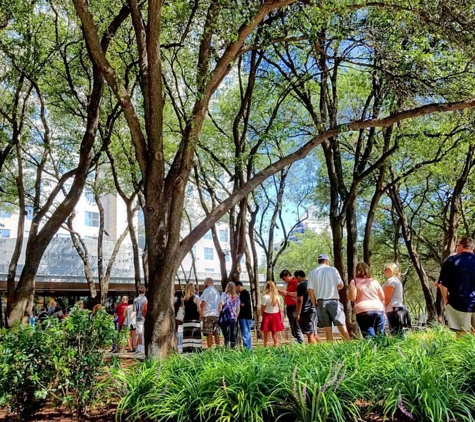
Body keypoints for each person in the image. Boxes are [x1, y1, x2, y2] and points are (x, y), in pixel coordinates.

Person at [437, 236, 475, 336]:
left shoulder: (451, 261)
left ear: (460, 246)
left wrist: (445, 299)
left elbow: (443, 285)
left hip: (459, 303)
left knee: (462, 337)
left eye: (457, 245)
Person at [308, 254, 350, 341]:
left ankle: (330, 348)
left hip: (320, 302)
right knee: (341, 324)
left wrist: (314, 304)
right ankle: (348, 344)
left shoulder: (312, 273)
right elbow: (340, 285)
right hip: (333, 300)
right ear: (327, 261)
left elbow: (310, 291)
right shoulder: (332, 270)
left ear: (319, 262)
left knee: (327, 328)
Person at [348, 262, 385, 338]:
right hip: (378, 309)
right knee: (381, 335)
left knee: (369, 334)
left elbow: (353, 297)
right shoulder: (374, 281)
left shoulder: (354, 282)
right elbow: (382, 297)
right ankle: (383, 349)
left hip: (363, 310)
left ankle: (372, 349)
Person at [383, 263, 410, 335]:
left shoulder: (391, 281)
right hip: (397, 307)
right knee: (398, 331)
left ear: (391, 270)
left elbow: (387, 297)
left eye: (385, 269)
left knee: (395, 331)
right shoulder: (397, 280)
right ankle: (401, 345)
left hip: (393, 309)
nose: (384, 271)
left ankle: (398, 345)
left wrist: (383, 306)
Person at [279, 269, 304, 344]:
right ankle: (296, 339)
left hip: (294, 307)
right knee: (292, 325)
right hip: (289, 307)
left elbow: (298, 294)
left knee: (296, 325)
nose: (284, 281)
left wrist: (287, 293)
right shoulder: (289, 284)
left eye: (284, 279)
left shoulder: (295, 282)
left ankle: (300, 341)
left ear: (288, 275)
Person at [295, 270, 318, 344]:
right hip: (313, 310)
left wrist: (298, 313)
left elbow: (299, 300)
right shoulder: (312, 284)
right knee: (314, 333)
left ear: (298, 277)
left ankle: (313, 352)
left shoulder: (301, 285)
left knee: (309, 334)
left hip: (306, 312)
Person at [261, 280, 285, 347]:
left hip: (267, 316)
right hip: (276, 316)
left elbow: (263, 308)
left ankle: (266, 352)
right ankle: (276, 351)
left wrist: (261, 314)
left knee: (266, 338)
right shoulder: (277, 297)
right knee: (275, 337)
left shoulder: (265, 297)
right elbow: (279, 306)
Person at [200, 277, 221, 348]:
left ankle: (210, 348)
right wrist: (218, 314)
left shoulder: (206, 291)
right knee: (216, 332)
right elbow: (219, 305)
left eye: (204, 282)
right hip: (216, 315)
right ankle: (218, 347)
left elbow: (203, 302)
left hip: (208, 314)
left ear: (208, 282)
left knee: (209, 332)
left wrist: (200, 311)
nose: (204, 284)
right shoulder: (217, 292)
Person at [182, 282, 203, 353]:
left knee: (187, 337)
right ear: (192, 289)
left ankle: (187, 351)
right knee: (195, 336)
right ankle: (196, 351)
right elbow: (199, 309)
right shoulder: (196, 298)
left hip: (186, 321)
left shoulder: (184, 299)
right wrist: (201, 316)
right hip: (194, 320)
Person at [220, 282, 240, 348]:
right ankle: (233, 348)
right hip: (233, 317)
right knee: (233, 333)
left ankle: (227, 348)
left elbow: (221, 304)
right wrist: (236, 317)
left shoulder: (224, 294)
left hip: (225, 317)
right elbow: (238, 308)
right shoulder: (237, 297)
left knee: (226, 333)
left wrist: (219, 314)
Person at [235, 281, 253, 350]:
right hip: (247, 316)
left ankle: (247, 348)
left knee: (245, 333)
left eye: (236, 288)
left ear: (238, 286)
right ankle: (248, 347)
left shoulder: (243, 293)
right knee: (247, 332)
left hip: (244, 316)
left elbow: (242, 304)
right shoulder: (244, 293)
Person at [134, 285, 148, 353]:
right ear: (144, 291)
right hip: (145, 317)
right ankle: (143, 347)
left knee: (139, 333)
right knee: (143, 332)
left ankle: (139, 348)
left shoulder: (135, 300)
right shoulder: (145, 299)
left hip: (138, 317)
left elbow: (134, 310)